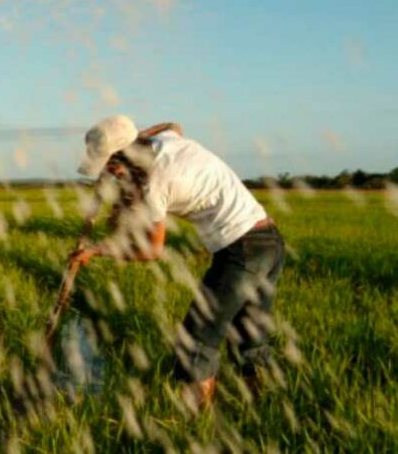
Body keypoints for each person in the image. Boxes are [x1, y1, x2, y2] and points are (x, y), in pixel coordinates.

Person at [70, 115, 286, 410]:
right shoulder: (166, 142)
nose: (112, 173)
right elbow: (173, 124)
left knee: (196, 343)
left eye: (111, 165)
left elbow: (152, 251)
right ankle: (265, 409)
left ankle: (197, 425)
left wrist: (98, 250)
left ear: (124, 156)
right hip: (270, 242)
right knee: (249, 335)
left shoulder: (155, 185)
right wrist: (134, 141)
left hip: (241, 250)